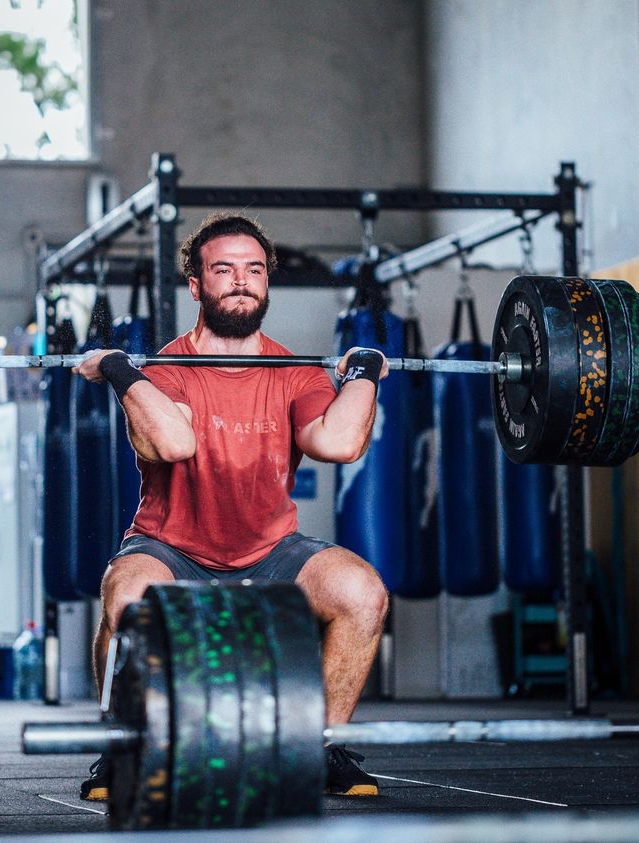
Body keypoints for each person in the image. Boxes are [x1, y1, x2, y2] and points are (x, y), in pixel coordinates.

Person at [73, 212, 389, 801]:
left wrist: (366, 371)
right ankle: (119, 751)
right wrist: (120, 368)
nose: (241, 281)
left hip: (271, 550)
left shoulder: (293, 371)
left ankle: (319, 747)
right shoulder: (168, 369)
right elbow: (173, 443)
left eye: (254, 270)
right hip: (172, 548)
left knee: (362, 593)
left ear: (267, 282)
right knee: (125, 596)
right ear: (196, 285)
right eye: (224, 269)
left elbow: (340, 442)